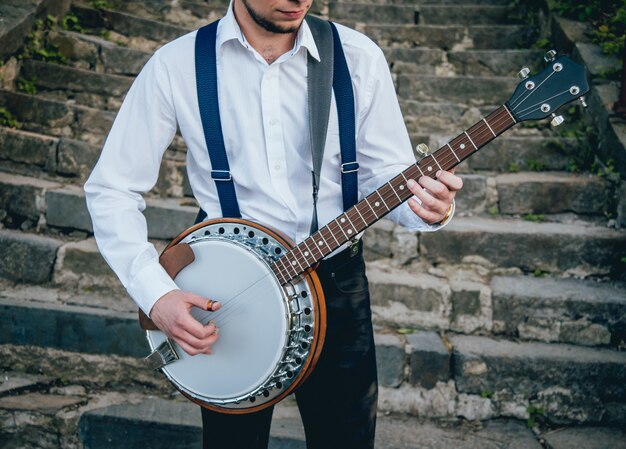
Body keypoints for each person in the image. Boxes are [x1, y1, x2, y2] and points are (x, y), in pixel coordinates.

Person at [84, 0, 463, 447]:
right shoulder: (177, 64)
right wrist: (157, 293)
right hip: (223, 293)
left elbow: (385, 175)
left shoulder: (356, 57)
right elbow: (112, 189)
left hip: (336, 284)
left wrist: (426, 206)